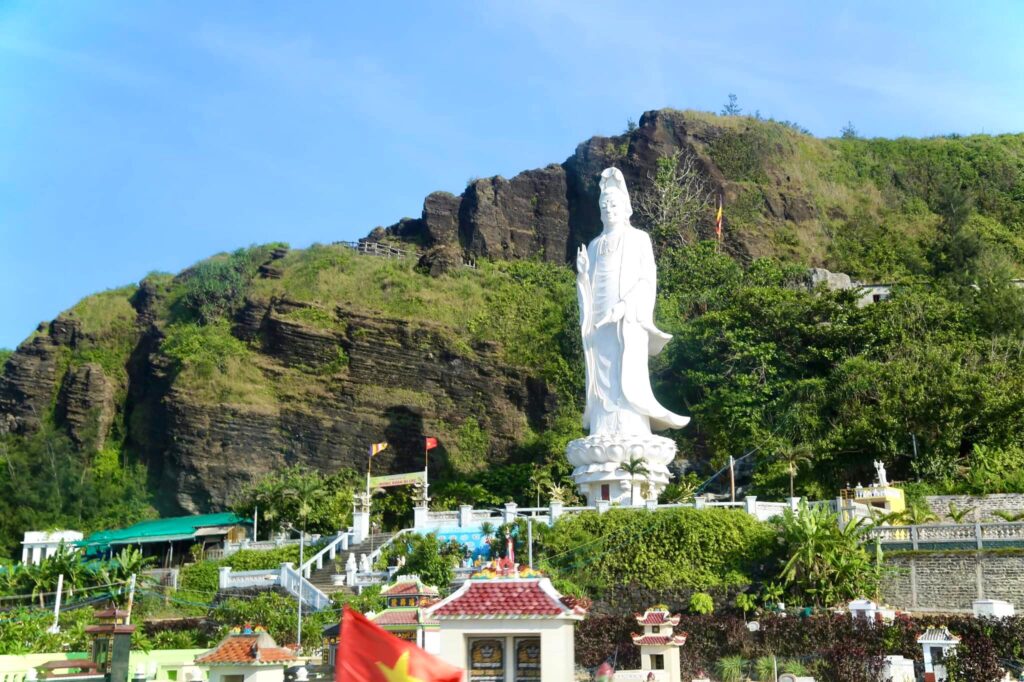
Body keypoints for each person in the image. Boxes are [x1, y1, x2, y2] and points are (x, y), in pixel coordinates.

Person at [576, 167, 689, 437]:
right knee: (602, 372)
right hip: (599, 319)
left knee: (626, 367)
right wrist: (582, 275)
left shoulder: (639, 239)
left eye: (614, 204)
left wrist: (625, 306)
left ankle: (631, 426)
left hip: (627, 319)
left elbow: (647, 280)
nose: (609, 209)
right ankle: (602, 427)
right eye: (604, 205)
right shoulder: (594, 245)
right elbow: (588, 289)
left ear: (625, 207)